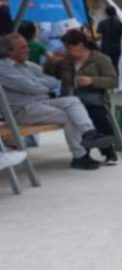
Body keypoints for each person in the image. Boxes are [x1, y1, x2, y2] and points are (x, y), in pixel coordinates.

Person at [0, 33, 111, 169]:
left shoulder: (27, 65)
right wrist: (41, 85)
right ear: (9, 52)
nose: (28, 50)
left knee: (73, 101)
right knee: (70, 116)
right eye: (23, 47)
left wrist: (39, 84)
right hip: (22, 110)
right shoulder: (3, 69)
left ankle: (89, 132)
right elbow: (31, 87)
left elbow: (52, 80)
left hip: (41, 102)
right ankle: (80, 156)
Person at [46, 29, 119, 165]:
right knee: (73, 116)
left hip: (94, 100)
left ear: (80, 45)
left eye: (69, 47)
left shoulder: (100, 59)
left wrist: (92, 81)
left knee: (96, 116)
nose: (67, 51)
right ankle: (82, 154)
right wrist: (52, 62)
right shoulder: (66, 60)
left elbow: (113, 81)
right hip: (69, 100)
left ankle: (108, 151)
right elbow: (50, 74)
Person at [96, 6, 122, 70]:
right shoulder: (119, 23)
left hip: (105, 49)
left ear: (106, 13)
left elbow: (99, 36)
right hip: (116, 49)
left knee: (105, 67)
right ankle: (115, 76)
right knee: (115, 66)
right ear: (115, 13)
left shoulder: (102, 23)